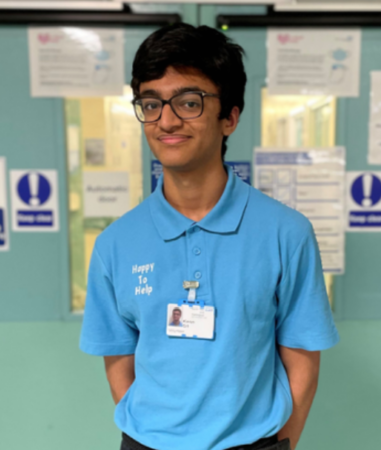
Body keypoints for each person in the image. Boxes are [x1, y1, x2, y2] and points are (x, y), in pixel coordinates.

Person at [79, 24, 338, 450]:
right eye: (151, 103)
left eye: (189, 102)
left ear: (230, 117)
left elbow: (302, 360)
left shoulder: (285, 233)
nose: (166, 120)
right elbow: (119, 359)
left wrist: (282, 445)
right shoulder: (115, 243)